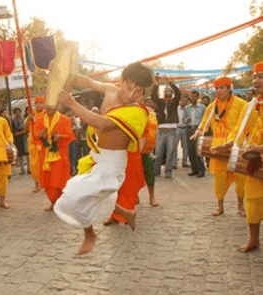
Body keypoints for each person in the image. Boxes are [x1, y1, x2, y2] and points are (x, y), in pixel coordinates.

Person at [54, 62, 154, 255]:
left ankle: (90, 234)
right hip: (97, 156)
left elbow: (102, 123)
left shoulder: (138, 111)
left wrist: (72, 104)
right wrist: (63, 71)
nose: (130, 94)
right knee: (92, 195)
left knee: (71, 198)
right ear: (122, 81)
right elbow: (88, 81)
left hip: (112, 166)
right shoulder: (109, 89)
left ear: (143, 93)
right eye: (128, 87)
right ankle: (126, 213)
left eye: (138, 91)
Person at [211, 61, 263, 252]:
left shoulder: (243, 104)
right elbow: (239, 130)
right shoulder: (251, 106)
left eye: (261, 76)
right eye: (255, 76)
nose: (256, 81)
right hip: (256, 162)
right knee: (253, 199)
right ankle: (254, 239)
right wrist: (230, 142)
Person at [190, 77, 247, 217]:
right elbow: (204, 123)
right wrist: (198, 131)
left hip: (236, 146)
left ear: (229, 88)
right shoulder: (211, 107)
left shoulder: (241, 104)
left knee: (241, 179)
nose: (219, 91)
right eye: (216, 88)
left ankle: (240, 205)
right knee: (219, 180)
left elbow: (247, 124)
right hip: (217, 148)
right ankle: (220, 206)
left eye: (222, 88)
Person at [36, 105, 74, 211]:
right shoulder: (40, 120)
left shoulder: (63, 119)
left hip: (60, 154)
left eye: (50, 107)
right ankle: (53, 202)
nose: (47, 109)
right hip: (46, 154)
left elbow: (69, 135)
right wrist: (40, 135)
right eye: (46, 107)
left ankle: (63, 202)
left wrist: (60, 136)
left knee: (60, 178)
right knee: (49, 180)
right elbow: (36, 135)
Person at [151, 76, 181, 178]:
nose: (167, 91)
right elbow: (152, 95)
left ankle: (168, 172)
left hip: (171, 131)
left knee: (170, 153)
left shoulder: (174, 102)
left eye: (169, 90)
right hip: (161, 131)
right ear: (163, 93)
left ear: (171, 93)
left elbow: (178, 93)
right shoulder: (160, 102)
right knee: (158, 152)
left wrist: (170, 83)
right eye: (165, 90)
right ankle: (156, 170)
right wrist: (156, 83)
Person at [24, 97, 46, 193]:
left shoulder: (46, 115)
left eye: (41, 103)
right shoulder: (31, 115)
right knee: (34, 165)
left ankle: (45, 184)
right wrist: (29, 120)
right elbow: (25, 129)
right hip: (33, 143)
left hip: (43, 142)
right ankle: (37, 184)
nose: (39, 105)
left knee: (45, 164)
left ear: (44, 104)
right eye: (37, 103)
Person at [184, 90, 206, 177]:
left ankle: (201, 169)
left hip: (198, 129)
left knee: (198, 150)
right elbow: (183, 119)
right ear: (190, 96)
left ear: (197, 97)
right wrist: (186, 120)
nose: (193, 98)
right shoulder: (186, 108)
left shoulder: (202, 107)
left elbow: (205, 119)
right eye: (192, 96)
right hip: (189, 129)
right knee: (190, 150)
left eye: (195, 96)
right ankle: (194, 169)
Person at [174, 95, 190, 168]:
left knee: (185, 146)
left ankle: (185, 162)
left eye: (186, 101)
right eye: (183, 100)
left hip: (185, 128)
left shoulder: (188, 109)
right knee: (174, 146)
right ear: (180, 100)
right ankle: (174, 163)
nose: (184, 102)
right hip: (177, 128)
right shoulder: (176, 108)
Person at [12, 107, 28, 175]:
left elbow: (26, 129)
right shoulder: (13, 121)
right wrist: (20, 132)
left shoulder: (24, 120)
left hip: (24, 138)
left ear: (20, 112)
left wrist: (20, 132)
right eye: (16, 112)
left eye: (19, 111)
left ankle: (29, 169)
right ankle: (22, 170)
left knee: (27, 153)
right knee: (20, 155)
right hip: (18, 139)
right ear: (14, 113)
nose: (17, 113)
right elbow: (14, 131)